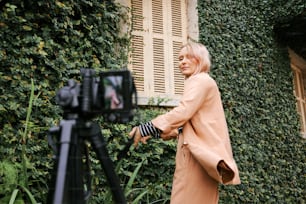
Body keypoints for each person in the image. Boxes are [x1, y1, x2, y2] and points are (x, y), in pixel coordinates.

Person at [129, 42, 240, 204]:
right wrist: (155, 132)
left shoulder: (200, 80)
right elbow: (188, 124)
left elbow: (183, 112)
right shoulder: (202, 82)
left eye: (189, 57)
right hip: (199, 157)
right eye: (180, 58)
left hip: (196, 157)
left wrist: (145, 129)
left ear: (200, 59)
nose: (182, 61)